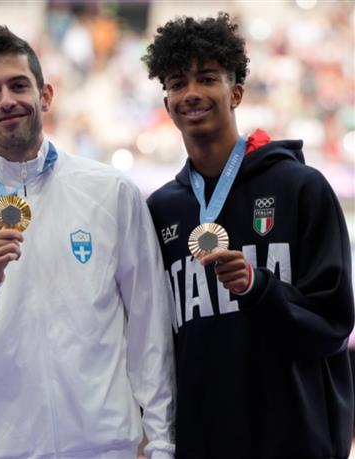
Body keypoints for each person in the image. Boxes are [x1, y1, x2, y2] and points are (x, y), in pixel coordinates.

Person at [0, 26, 175, 459]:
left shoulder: (111, 192)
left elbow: (149, 329)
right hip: (3, 450)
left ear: (45, 96)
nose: (6, 100)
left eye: (19, 85)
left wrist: (162, 443)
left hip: (105, 447)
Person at [143, 12, 354, 459]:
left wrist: (260, 288)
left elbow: (334, 324)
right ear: (167, 103)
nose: (191, 92)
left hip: (293, 442)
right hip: (203, 443)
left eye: (207, 78)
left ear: (236, 91)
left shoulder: (301, 188)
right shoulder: (162, 210)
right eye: (178, 83)